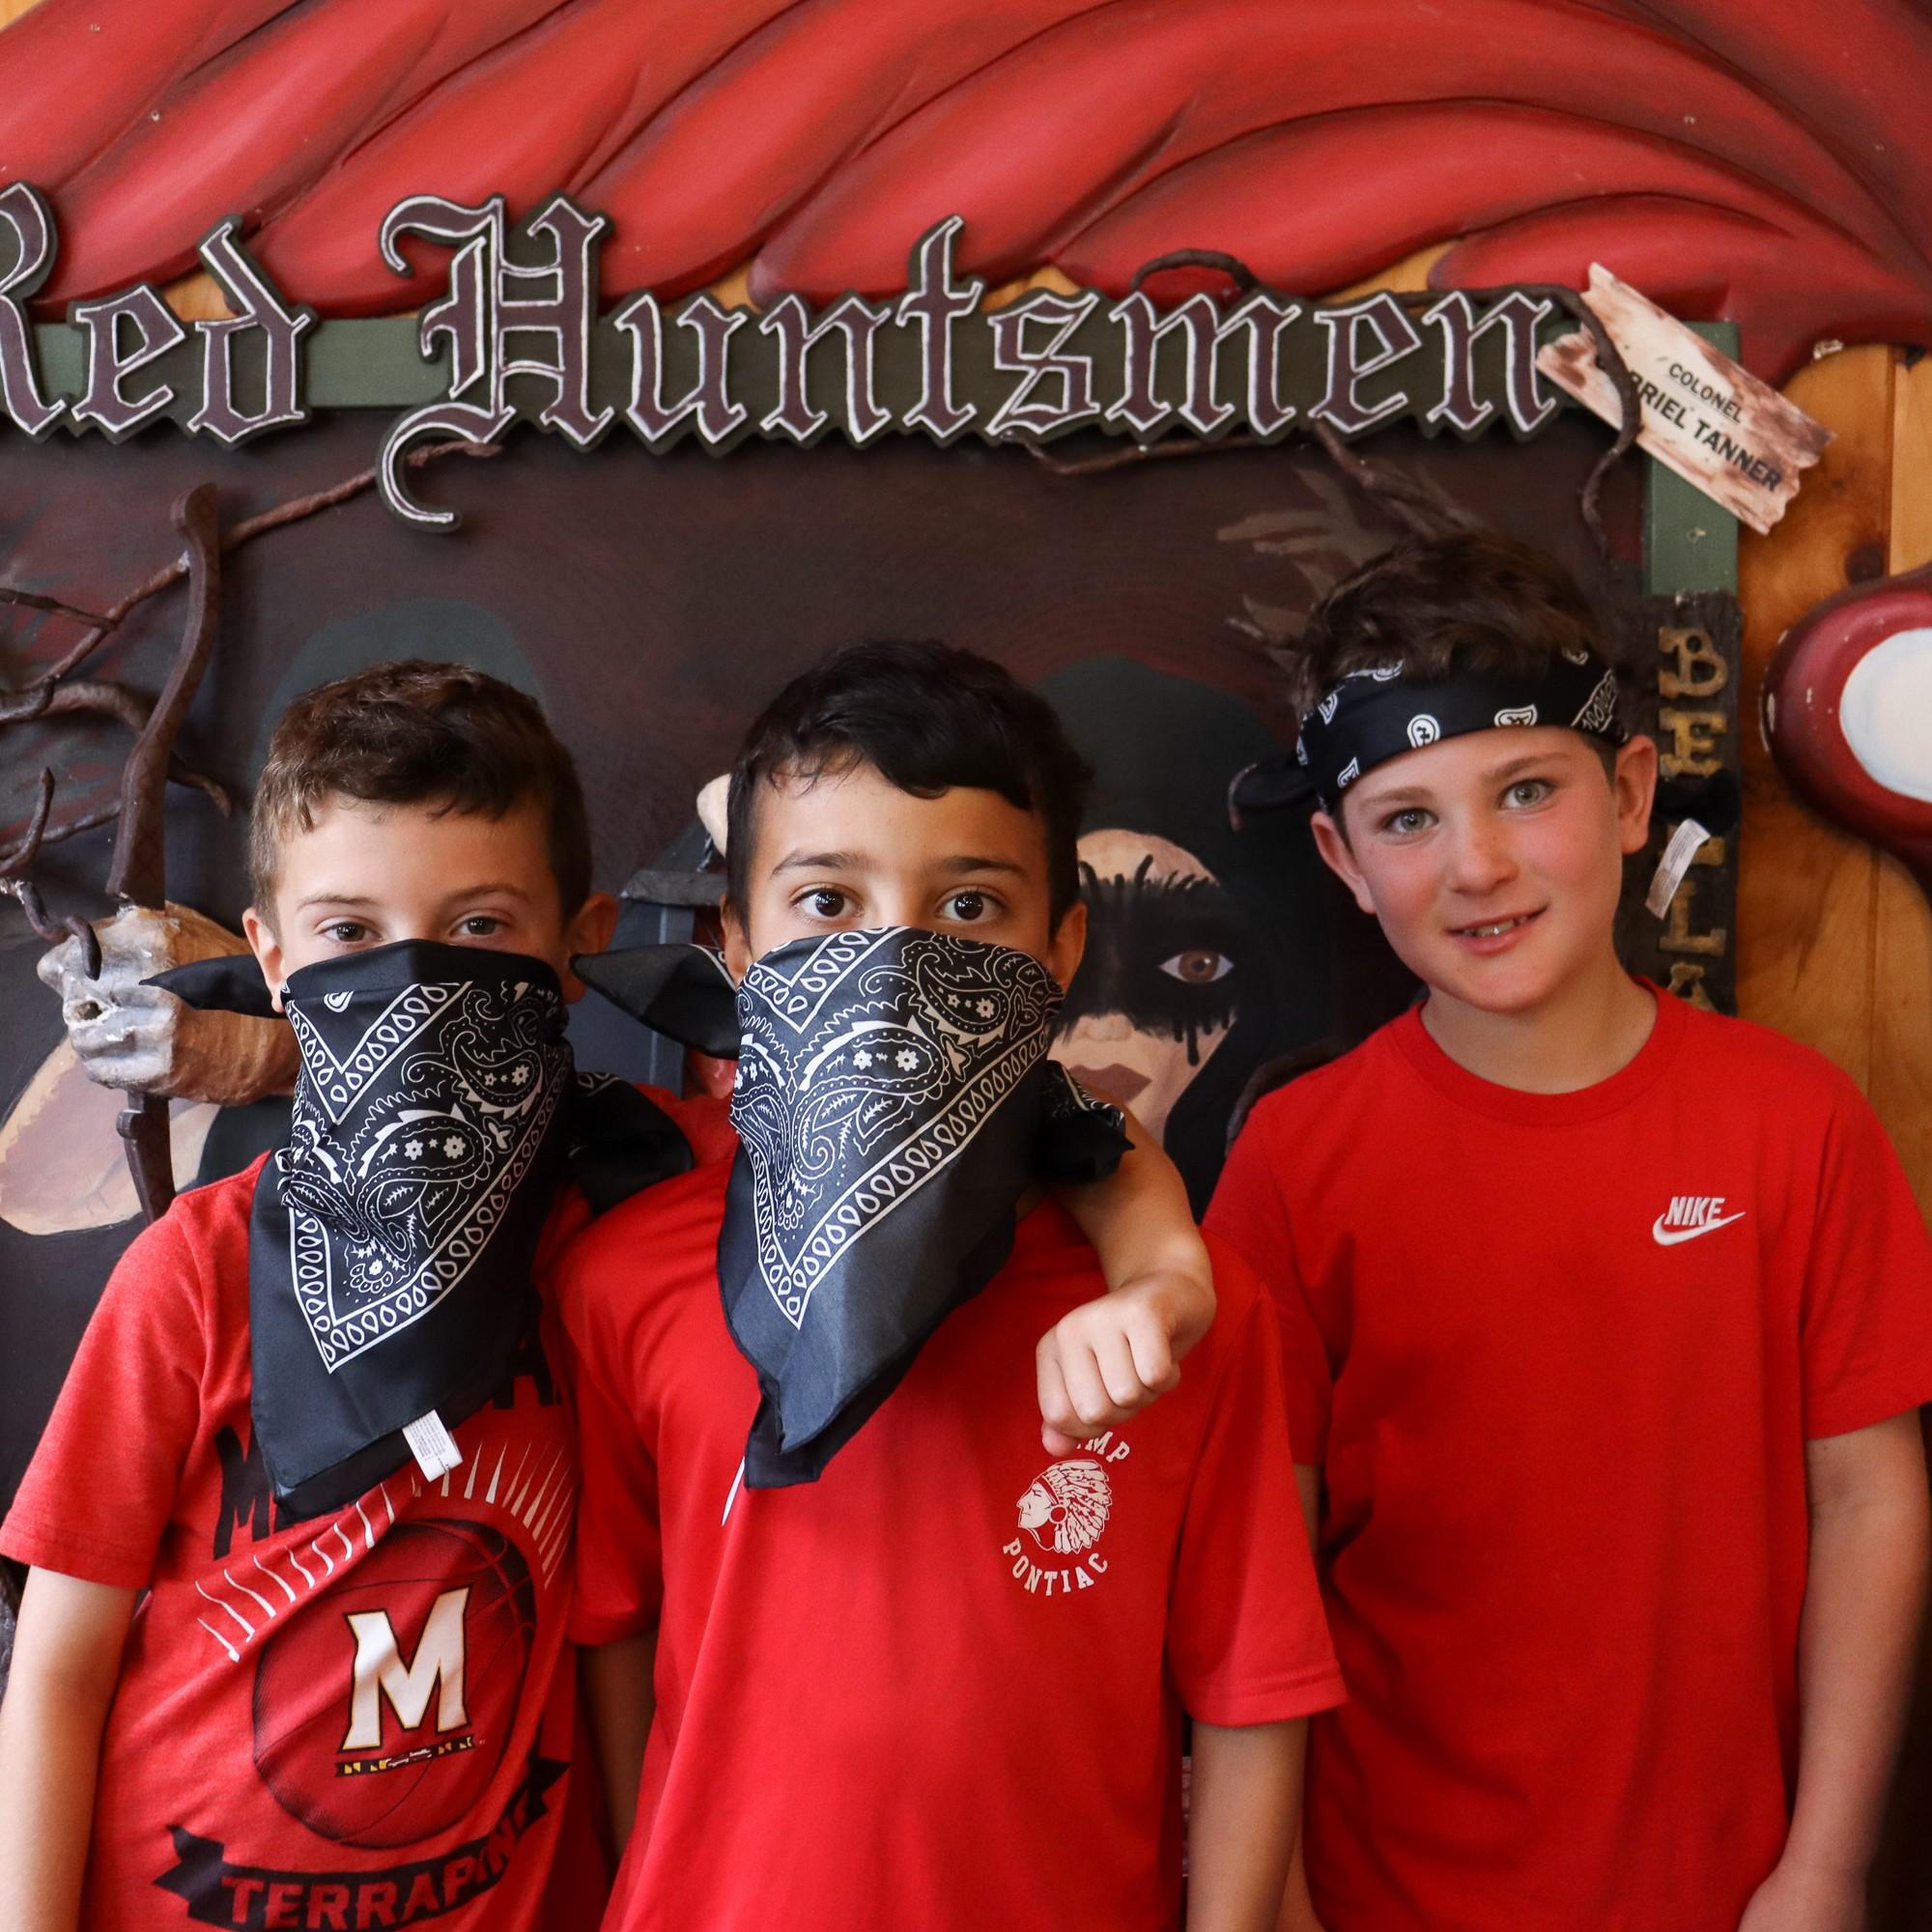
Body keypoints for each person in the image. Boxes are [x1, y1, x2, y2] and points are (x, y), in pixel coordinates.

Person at [0, 658, 1214, 1932]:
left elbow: (1026, 1114)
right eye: (351, 936)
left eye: (480, 930)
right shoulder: (195, 1273)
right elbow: (60, 1668)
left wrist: (1164, 1266)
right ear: (272, 951)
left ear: (579, 942)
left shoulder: (640, 1188)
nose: (415, 988)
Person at [553, 639, 1343, 1932]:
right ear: (737, 945)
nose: (894, 962)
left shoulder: (1189, 1317)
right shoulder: (630, 1277)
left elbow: (1250, 1693)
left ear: (1063, 944)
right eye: (827, 901)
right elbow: (615, 1633)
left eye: (970, 907)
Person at [1208, 532, 1932, 1932]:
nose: (1477, 865)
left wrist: (1827, 1867)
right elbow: (1254, 1563)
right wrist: (1274, 1889)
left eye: (1527, 790)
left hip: (1729, 1888)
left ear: (1632, 792)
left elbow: (1869, 1503)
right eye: (1407, 820)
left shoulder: (1794, 1123)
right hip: (1381, 1889)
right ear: (1341, 858)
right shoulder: (1297, 1164)